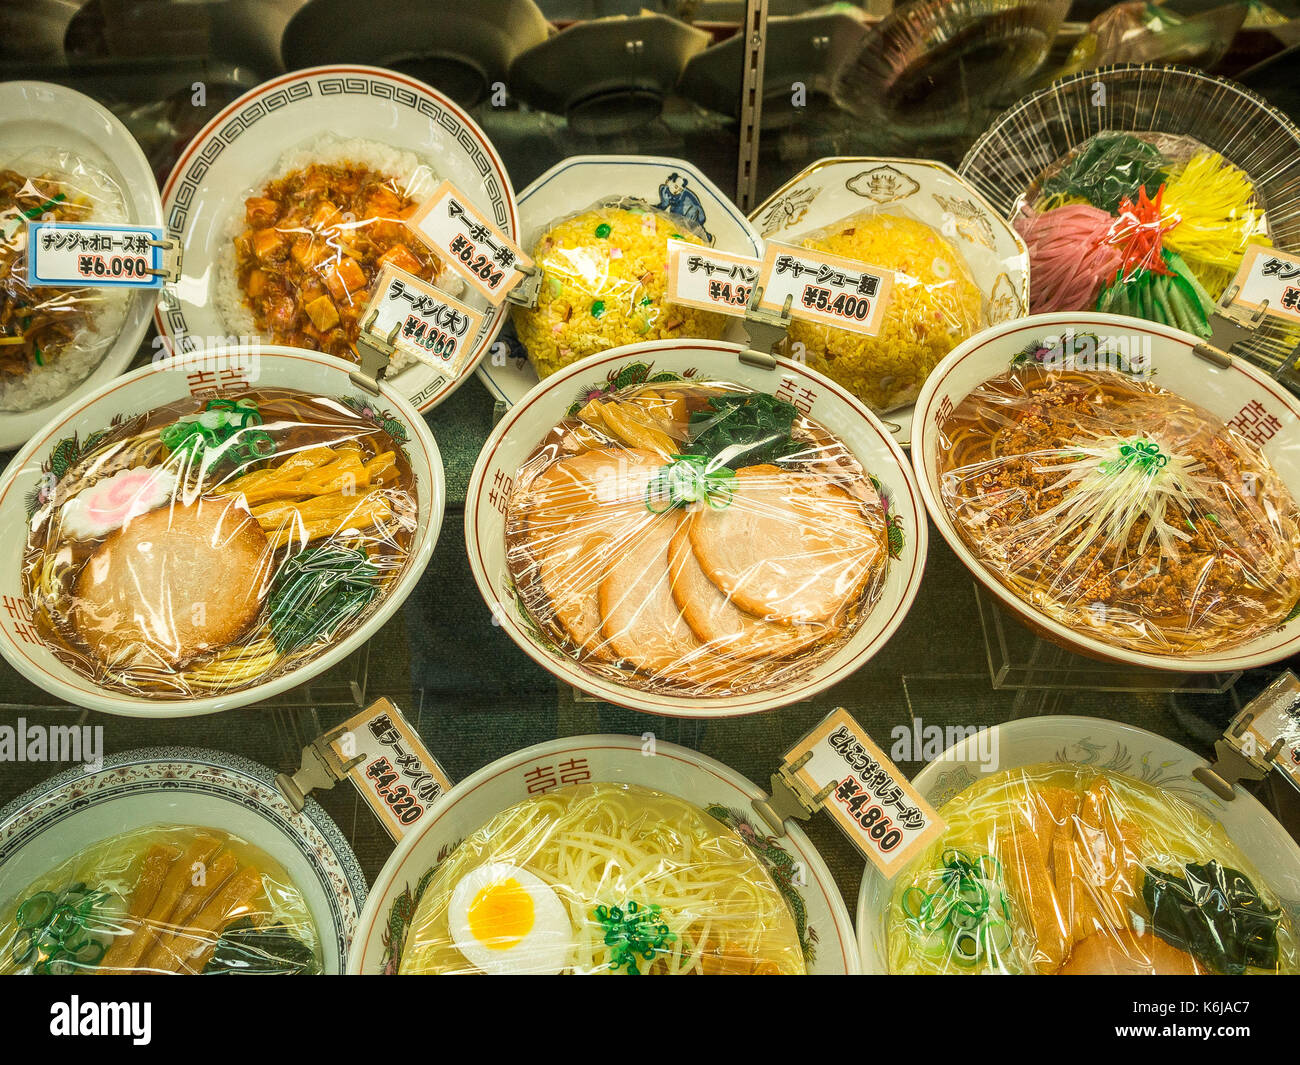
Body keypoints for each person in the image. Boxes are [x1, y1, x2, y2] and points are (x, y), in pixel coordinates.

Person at [656, 172, 711, 242]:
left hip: (691, 213)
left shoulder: (686, 198)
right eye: (676, 187)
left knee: (692, 229)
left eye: (680, 189)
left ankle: (706, 238)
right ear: (668, 181)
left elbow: (695, 213)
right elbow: (662, 206)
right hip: (680, 215)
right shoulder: (664, 189)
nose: (677, 191)